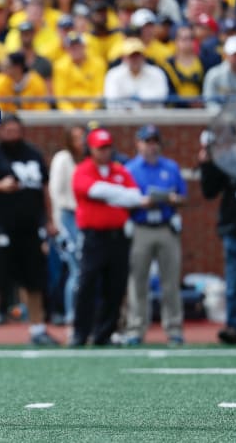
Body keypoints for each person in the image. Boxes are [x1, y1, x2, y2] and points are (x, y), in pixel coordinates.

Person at [0, 115, 58, 348]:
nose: (13, 135)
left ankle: (38, 329)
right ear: (0, 132)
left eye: (16, 131)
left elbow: (44, 188)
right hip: (1, 227)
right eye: (8, 131)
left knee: (34, 281)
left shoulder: (32, 153)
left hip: (30, 228)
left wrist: (49, 220)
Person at [70, 128, 149, 346]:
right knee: (87, 284)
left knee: (115, 286)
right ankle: (80, 333)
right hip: (93, 237)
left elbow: (135, 197)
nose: (104, 152)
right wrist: (118, 194)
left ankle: (103, 333)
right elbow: (94, 190)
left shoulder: (120, 170)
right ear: (91, 149)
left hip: (118, 237)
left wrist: (115, 194)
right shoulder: (83, 169)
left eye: (107, 148)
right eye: (100, 148)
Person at [124, 125, 187, 346]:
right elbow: (123, 199)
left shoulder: (170, 167)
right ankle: (136, 329)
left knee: (170, 281)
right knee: (137, 282)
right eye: (147, 141)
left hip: (165, 226)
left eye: (154, 141)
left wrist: (171, 198)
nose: (151, 146)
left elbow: (183, 197)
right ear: (138, 143)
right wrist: (142, 201)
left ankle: (174, 329)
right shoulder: (130, 169)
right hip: (141, 227)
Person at [199, 117, 236, 345]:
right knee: (233, 283)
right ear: (235, 133)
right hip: (234, 229)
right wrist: (206, 165)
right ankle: (233, 327)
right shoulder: (227, 160)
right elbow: (209, 191)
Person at [49, 125, 85, 326]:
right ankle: (71, 315)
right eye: (77, 137)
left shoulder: (88, 160)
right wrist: (57, 223)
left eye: (83, 136)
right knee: (75, 269)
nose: (82, 141)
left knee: (81, 270)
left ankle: (78, 313)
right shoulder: (63, 158)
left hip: (83, 218)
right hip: (67, 217)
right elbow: (56, 193)